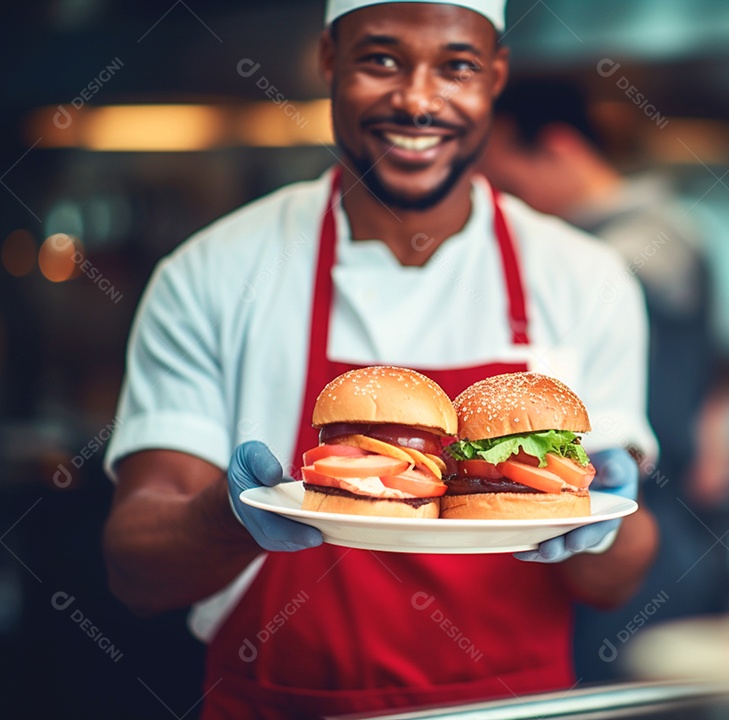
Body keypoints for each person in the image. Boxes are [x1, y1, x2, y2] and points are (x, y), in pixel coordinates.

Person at [101, 2, 659, 718]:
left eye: (455, 66)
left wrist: (599, 511)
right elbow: (133, 571)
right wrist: (233, 513)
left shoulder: (586, 277)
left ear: (495, 77)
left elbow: (615, 583)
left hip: (513, 708)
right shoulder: (212, 272)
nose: (419, 100)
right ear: (329, 63)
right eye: (381, 60)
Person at [481, 79, 725, 680]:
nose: (509, 207)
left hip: (634, 525)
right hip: (651, 519)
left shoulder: (612, 254)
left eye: (511, 185)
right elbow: (714, 384)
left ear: (560, 150)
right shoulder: (677, 231)